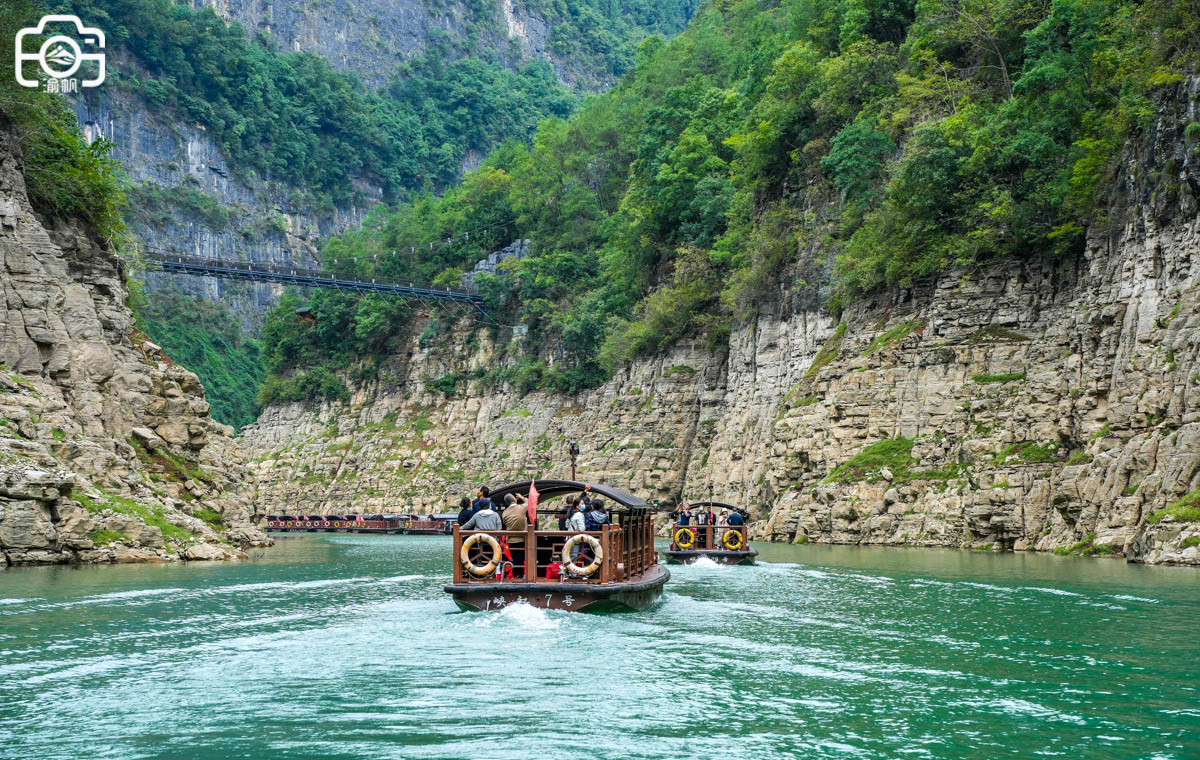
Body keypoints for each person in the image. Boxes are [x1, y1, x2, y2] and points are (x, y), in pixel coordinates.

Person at [501, 494, 528, 577]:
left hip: (511, 540)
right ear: (514, 500)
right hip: (523, 539)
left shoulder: (504, 513)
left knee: (515, 559)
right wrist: (521, 497)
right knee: (523, 558)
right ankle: (522, 575)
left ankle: (516, 575)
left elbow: (505, 523)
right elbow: (530, 502)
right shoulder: (521, 508)